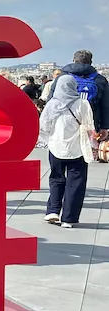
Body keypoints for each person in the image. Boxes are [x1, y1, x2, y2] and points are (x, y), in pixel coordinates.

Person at [40, 75, 95, 228]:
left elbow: (43, 126)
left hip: (56, 147)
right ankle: (69, 219)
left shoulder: (52, 104)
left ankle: (53, 211)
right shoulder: (83, 104)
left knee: (56, 179)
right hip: (78, 149)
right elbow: (89, 126)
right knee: (76, 183)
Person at [48, 50, 109, 142]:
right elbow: (105, 105)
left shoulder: (61, 78)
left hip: (64, 124)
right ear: (90, 62)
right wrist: (104, 126)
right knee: (87, 153)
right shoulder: (99, 80)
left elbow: (51, 101)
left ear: (74, 60)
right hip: (90, 125)